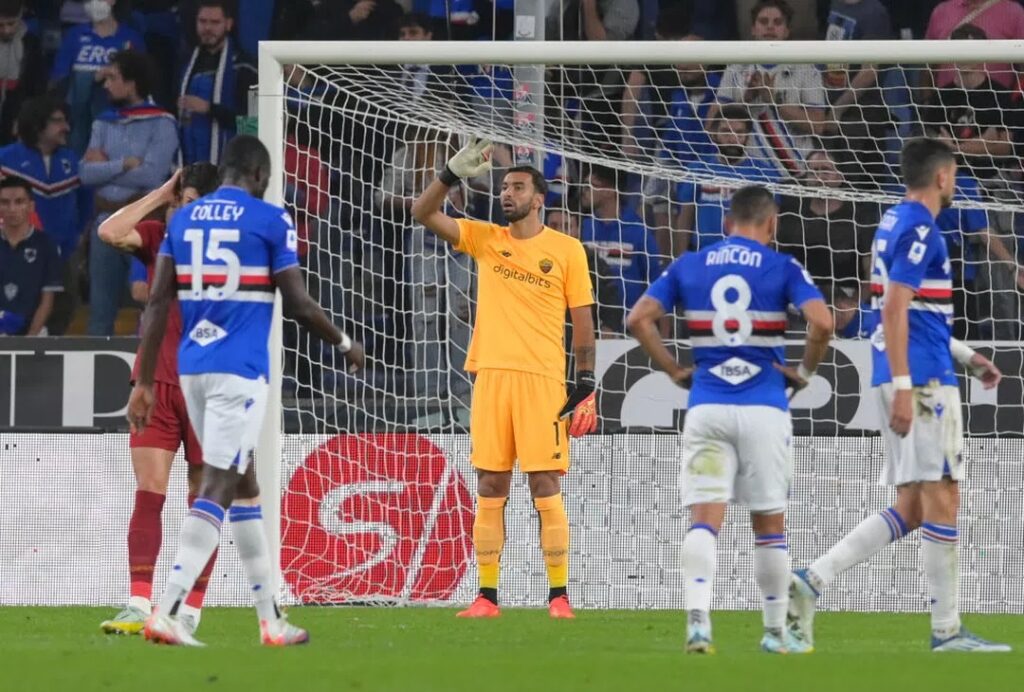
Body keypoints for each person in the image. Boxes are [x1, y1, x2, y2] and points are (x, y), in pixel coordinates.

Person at [127, 135, 364, 646]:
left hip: (190, 367)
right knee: (217, 482)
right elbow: (298, 303)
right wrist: (344, 342)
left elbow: (157, 301)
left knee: (245, 486)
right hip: (239, 370)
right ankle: (168, 609)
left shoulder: (183, 220)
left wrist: (144, 381)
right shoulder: (270, 219)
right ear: (258, 175)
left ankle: (269, 619)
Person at [787, 138, 1011, 653]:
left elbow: (915, 311)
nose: (955, 182)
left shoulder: (891, 221)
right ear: (942, 178)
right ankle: (947, 631)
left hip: (905, 368)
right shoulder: (919, 228)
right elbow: (893, 307)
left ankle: (811, 579)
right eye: (954, 174)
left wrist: (967, 356)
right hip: (921, 379)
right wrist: (910, 388)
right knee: (943, 496)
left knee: (912, 507)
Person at [625, 185, 833, 654]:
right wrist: (802, 372)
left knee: (704, 521)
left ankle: (699, 623)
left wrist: (675, 369)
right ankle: (776, 633)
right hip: (764, 406)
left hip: (708, 405)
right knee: (769, 525)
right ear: (772, 224)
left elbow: (639, 318)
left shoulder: (689, 264)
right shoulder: (782, 267)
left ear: (726, 223)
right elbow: (823, 322)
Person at [411, 138, 598, 619]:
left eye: (517, 187)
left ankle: (559, 597)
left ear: (539, 199)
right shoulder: (485, 238)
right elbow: (423, 211)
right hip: (491, 376)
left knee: (544, 485)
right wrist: (450, 174)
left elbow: (582, 320)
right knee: (491, 484)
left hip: (542, 381)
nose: (506, 194)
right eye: (503, 187)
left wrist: (586, 383)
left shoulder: (567, 250)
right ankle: (486, 598)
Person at [96, 162, 221, 637]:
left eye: (188, 201)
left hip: (210, 390)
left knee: (203, 503)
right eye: (178, 201)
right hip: (156, 383)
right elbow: (110, 230)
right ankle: (138, 604)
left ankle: (189, 611)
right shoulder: (157, 237)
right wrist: (161, 191)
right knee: (149, 492)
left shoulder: (231, 250)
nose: (179, 209)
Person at [79, 48, 178, 336]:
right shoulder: (103, 121)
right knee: (100, 314)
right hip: (104, 226)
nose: (106, 84)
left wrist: (106, 167)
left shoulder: (162, 122)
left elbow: (154, 174)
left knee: (148, 305)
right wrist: (124, 163)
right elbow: (85, 173)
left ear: (132, 82)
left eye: (113, 78)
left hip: (145, 226)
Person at [0, 95, 91, 262]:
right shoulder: (5, 160)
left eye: (66, 121)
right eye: (58, 121)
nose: (66, 127)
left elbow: (86, 198)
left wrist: (78, 234)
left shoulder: (71, 160)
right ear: (36, 126)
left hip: (63, 256)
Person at [49, 0, 145, 154]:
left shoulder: (130, 37)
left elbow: (140, 81)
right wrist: (93, 77)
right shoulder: (75, 35)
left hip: (117, 115)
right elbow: (60, 77)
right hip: (79, 115)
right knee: (82, 79)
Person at [178, 0, 257, 164]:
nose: (207, 28)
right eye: (202, 21)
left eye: (214, 22)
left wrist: (209, 109)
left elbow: (252, 123)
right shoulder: (184, 63)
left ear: (228, 24)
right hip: (188, 162)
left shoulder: (246, 67)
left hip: (229, 165)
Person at [0, 176, 62, 335]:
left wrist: (29, 341)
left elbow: (47, 300)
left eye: (19, 202)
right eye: (5, 202)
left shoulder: (46, 245)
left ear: (31, 206)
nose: (12, 209)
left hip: (34, 333)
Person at [0, 0, 45, 146]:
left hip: (16, 110)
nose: (6, 30)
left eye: (11, 24)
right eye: (0, 25)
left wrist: (25, 118)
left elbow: (36, 86)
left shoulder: (31, 43)